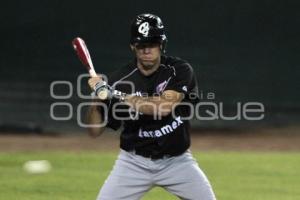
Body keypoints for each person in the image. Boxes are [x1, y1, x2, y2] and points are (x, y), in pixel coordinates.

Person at [87, 13, 216, 200]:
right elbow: (94, 131)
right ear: (133, 46)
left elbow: (163, 107)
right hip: (133, 163)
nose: (147, 50)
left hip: (177, 162)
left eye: (152, 44)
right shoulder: (119, 80)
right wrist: (97, 97)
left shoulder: (178, 70)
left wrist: (114, 94)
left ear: (162, 45)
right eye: (141, 45)